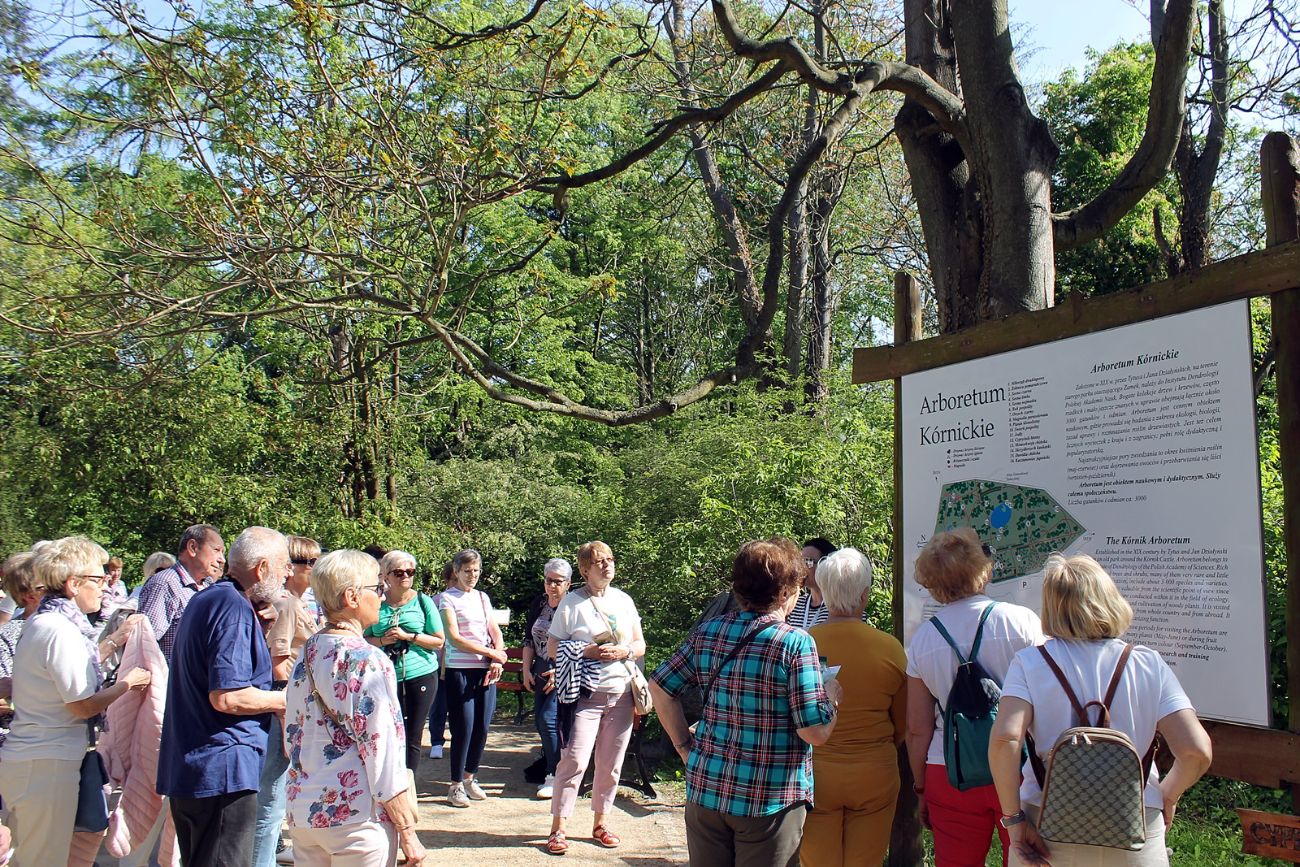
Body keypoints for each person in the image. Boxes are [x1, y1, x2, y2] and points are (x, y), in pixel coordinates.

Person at [989, 553, 1213, 867]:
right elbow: (1197, 750)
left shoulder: (1029, 663)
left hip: (1048, 830)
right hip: (1135, 828)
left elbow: (1004, 740)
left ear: (1051, 607)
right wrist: (1167, 795)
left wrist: (1013, 821)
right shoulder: (1148, 663)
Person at [649, 538, 841, 866]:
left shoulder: (708, 633)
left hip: (706, 791)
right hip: (768, 802)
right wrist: (831, 700)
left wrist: (685, 747)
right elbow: (815, 732)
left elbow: (659, 688)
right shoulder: (795, 643)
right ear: (783, 593)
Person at [0, 536, 152, 866]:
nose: (105, 588)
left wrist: (113, 642)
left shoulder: (46, 622)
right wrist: (129, 683)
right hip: (46, 764)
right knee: (42, 860)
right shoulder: (59, 629)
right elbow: (81, 704)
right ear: (73, 584)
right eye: (98, 580)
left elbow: (68, 683)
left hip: (37, 760)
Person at [905, 529, 1044, 867]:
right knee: (1029, 859)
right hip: (1019, 765)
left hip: (949, 769)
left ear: (934, 583)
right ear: (983, 570)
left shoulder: (923, 640)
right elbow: (1044, 702)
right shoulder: (1021, 622)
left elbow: (917, 728)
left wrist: (921, 785)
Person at [284, 549, 427, 867]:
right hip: (356, 818)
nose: (383, 594)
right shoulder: (368, 660)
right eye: (377, 588)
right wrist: (407, 831)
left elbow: (292, 734)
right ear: (351, 596)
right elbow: (382, 750)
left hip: (304, 811)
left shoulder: (307, 653)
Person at [157, 526, 289, 867]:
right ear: (261, 569)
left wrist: (259, 629)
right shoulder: (229, 605)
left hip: (201, 768)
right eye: (284, 563)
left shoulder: (213, 598)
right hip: (220, 768)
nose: (289, 571)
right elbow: (227, 696)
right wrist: (285, 700)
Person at [802, 548, 907, 867]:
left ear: (822, 590)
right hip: (874, 772)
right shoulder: (890, 649)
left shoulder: (803, 643)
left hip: (814, 774)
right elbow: (901, 725)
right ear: (865, 595)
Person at [544, 541, 646, 853]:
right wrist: (586, 651)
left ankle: (601, 823)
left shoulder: (624, 600)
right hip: (584, 695)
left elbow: (640, 644)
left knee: (611, 763)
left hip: (621, 694)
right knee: (574, 759)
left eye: (610, 559)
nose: (607, 565)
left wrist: (624, 650)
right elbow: (551, 647)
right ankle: (558, 828)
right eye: (599, 562)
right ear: (585, 570)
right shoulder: (572, 603)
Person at [253, 535, 325, 867]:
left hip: (292, 708)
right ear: (290, 567)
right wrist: (286, 717)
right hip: (282, 709)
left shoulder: (298, 602)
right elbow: (278, 663)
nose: (313, 569)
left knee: (276, 794)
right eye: (307, 563)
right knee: (270, 798)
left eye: (316, 562)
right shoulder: (287, 604)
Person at [364, 550, 444, 776]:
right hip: (383, 676)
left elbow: (439, 641)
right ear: (386, 576)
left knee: (413, 734)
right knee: (385, 732)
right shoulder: (376, 603)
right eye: (399, 572)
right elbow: (362, 638)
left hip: (420, 674)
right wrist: (382, 640)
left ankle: (408, 786)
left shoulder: (423, 601)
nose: (405, 577)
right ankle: (387, 784)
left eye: (410, 572)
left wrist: (409, 636)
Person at [439, 548, 505, 808]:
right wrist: (491, 652)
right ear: (456, 571)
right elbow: (454, 637)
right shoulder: (447, 599)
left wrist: (497, 656)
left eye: (476, 571)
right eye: (467, 571)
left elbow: (494, 629)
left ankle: (469, 777)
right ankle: (455, 784)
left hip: (485, 670)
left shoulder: (482, 597)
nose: (473, 575)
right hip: (460, 670)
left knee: (482, 727)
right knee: (463, 727)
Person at [521, 557, 573, 799]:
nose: (552, 586)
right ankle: (550, 768)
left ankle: (554, 775)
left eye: (558, 581)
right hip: (540, 666)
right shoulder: (539, 603)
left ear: (568, 583)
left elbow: (578, 643)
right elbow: (529, 639)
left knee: (549, 719)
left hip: (563, 669)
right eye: (548, 580)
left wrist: (560, 669)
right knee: (540, 722)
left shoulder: (573, 607)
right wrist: (525, 669)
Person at [138, 524, 226, 663]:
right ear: (192, 547)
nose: (222, 559)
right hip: (171, 682)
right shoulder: (165, 584)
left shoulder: (209, 586)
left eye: (223, 553)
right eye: (216, 550)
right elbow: (144, 645)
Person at [789, 537, 835, 630]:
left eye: (807, 562)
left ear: (825, 565)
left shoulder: (840, 609)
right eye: (800, 562)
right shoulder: (795, 605)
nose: (801, 568)